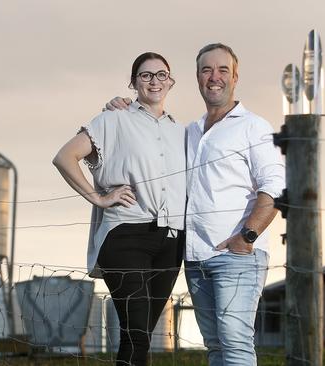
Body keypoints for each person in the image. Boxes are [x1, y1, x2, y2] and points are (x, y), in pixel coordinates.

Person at [104, 43, 285, 366]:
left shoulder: (253, 126)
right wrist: (123, 106)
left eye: (222, 70)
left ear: (235, 76)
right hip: (196, 259)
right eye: (206, 70)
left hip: (236, 257)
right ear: (198, 77)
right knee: (214, 345)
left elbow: (274, 187)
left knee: (236, 343)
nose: (214, 77)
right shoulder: (190, 130)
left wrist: (248, 237)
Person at [53, 52, 186, 366]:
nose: (154, 81)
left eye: (161, 74)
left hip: (171, 240)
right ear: (133, 82)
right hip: (126, 235)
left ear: (171, 81)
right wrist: (98, 198)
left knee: (137, 336)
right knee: (138, 333)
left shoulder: (181, 131)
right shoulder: (112, 119)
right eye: (145, 75)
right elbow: (64, 157)